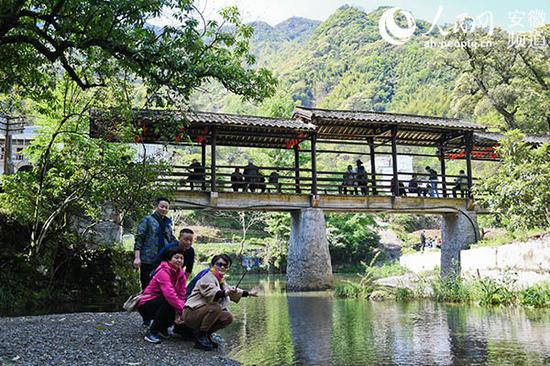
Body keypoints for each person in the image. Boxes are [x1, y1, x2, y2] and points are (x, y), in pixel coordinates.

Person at [181, 254, 258, 351]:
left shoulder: (220, 280)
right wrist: (227, 292)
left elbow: (231, 290)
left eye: (225, 265)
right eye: (219, 264)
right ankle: (201, 336)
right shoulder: (207, 277)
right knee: (216, 307)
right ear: (212, 265)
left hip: (203, 311)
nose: (222, 267)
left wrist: (249, 293)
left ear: (228, 268)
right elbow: (214, 293)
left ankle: (206, 335)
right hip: (191, 312)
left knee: (228, 317)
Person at [138, 247, 187, 344]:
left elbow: (182, 294)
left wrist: (181, 311)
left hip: (161, 302)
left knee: (178, 304)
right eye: (176, 257)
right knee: (168, 302)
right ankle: (152, 332)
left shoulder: (181, 275)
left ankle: (162, 328)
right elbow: (169, 294)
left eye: (181, 258)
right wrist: (181, 311)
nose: (179, 260)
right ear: (169, 259)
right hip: (146, 304)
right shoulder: (163, 271)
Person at [134, 197, 177, 291]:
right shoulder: (147, 220)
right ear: (156, 207)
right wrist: (137, 257)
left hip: (163, 260)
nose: (164, 209)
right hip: (148, 259)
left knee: (162, 286)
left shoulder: (167, 224)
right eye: (162, 207)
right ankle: (145, 304)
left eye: (166, 208)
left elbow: (171, 239)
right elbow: (139, 238)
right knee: (147, 285)